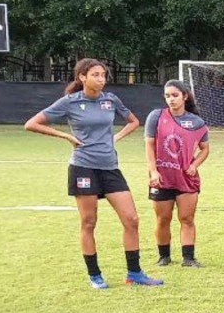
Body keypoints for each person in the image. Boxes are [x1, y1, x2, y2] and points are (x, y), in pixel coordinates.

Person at [24, 58, 163, 288]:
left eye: (103, 75)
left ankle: (134, 273)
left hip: (110, 167)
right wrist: (67, 136)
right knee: (89, 222)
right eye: (95, 75)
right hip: (83, 167)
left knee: (132, 219)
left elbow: (133, 121)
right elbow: (32, 124)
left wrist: (115, 137)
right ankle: (95, 275)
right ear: (82, 77)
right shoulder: (70, 102)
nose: (101, 79)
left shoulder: (111, 100)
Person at [145, 80, 210, 267]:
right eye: (167, 96)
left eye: (175, 95)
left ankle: (188, 258)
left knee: (187, 218)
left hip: (186, 179)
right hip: (162, 178)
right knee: (163, 218)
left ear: (184, 96)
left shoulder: (197, 122)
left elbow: (205, 149)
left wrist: (195, 164)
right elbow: (149, 146)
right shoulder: (156, 117)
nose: (171, 99)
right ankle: (163, 256)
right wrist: (153, 172)